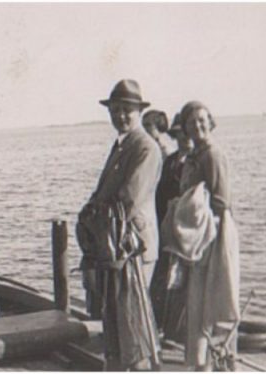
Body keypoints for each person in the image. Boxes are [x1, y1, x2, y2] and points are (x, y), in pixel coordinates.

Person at [87, 79, 162, 370]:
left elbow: (128, 199)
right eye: (115, 110)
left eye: (127, 110)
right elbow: (102, 194)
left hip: (133, 247)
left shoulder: (146, 147)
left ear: (139, 111)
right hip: (114, 247)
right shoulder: (121, 145)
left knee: (134, 327)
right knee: (117, 325)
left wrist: (94, 215)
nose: (120, 116)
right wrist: (90, 212)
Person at [178, 101, 240, 370]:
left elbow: (221, 202)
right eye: (192, 122)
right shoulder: (195, 155)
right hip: (200, 236)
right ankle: (200, 363)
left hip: (214, 233)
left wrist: (204, 238)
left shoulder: (212, 154)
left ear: (210, 121)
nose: (198, 126)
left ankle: (214, 363)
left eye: (202, 120)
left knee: (212, 301)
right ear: (186, 129)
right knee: (199, 302)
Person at [149, 113, 193, 341]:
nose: (183, 139)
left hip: (185, 233)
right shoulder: (171, 160)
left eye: (187, 134)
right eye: (178, 134)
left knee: (183, 284)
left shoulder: (197, 162)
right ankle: (161, 328)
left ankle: (178, 331)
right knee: (164, 280)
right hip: (164, 228)